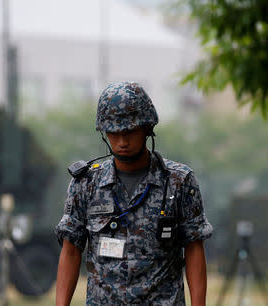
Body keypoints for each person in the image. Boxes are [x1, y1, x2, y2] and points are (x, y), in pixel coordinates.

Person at [55, 81, 213, 306]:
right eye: (114, 132)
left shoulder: (179, 181)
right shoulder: (86, 183)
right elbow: (71, 251)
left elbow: (194, 249)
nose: (122, 141)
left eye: (129, 131)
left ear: (147, 128)